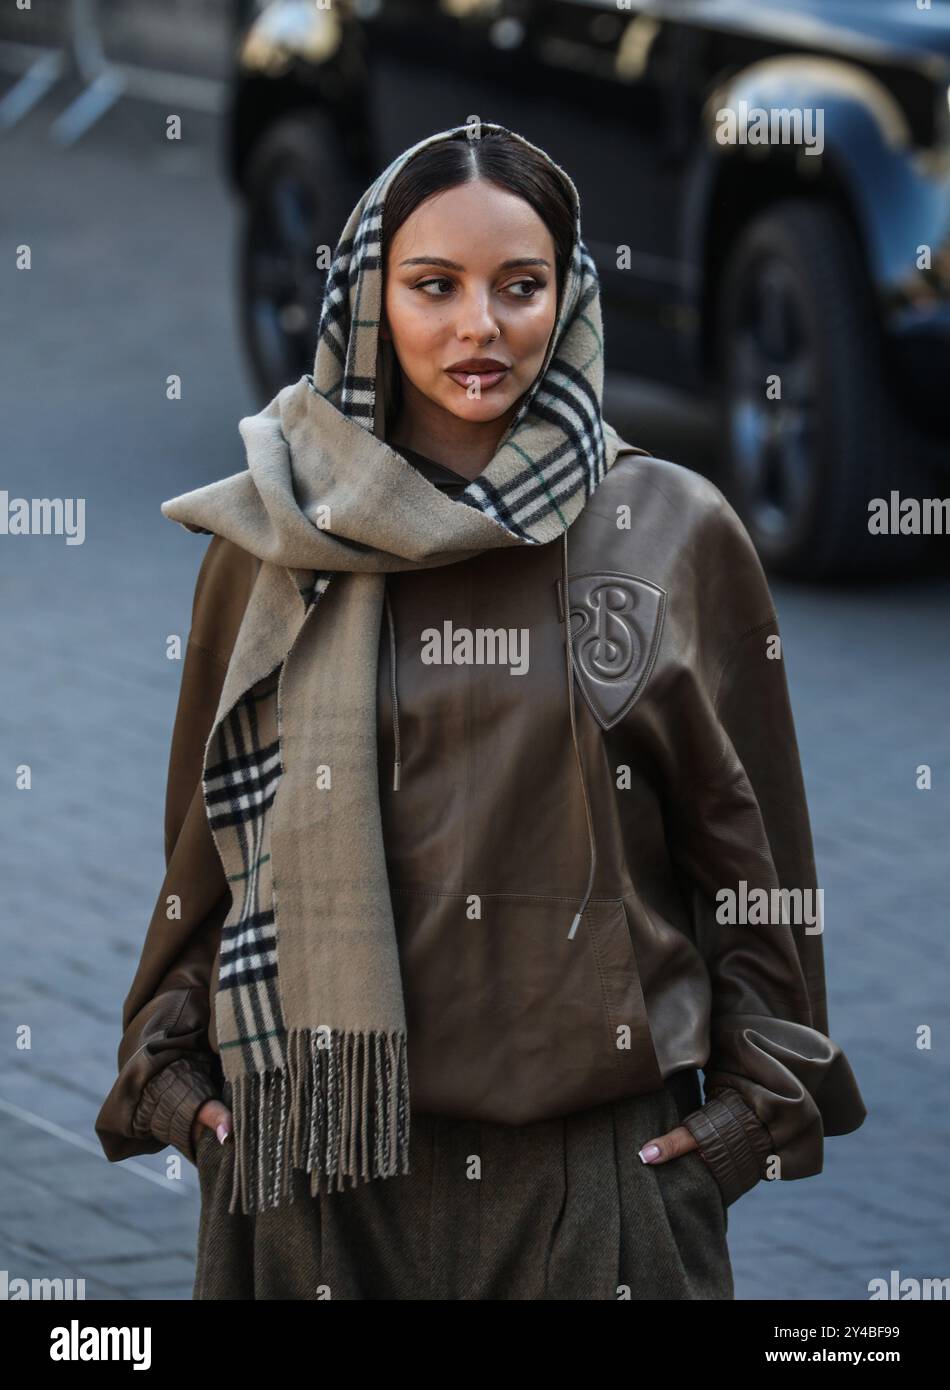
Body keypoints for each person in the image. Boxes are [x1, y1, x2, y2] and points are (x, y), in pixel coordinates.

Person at [95, 121, 867, 1301]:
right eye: (433, 285)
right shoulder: (273, 532)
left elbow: (751, 857)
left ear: (567, 297)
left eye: (521, 286)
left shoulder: (669, 528)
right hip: (309, 1173)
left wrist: (743, 1125)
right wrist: (181, 1086)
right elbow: (207, 851)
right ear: (367, 294)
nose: (479, 327)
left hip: (594, 1183)